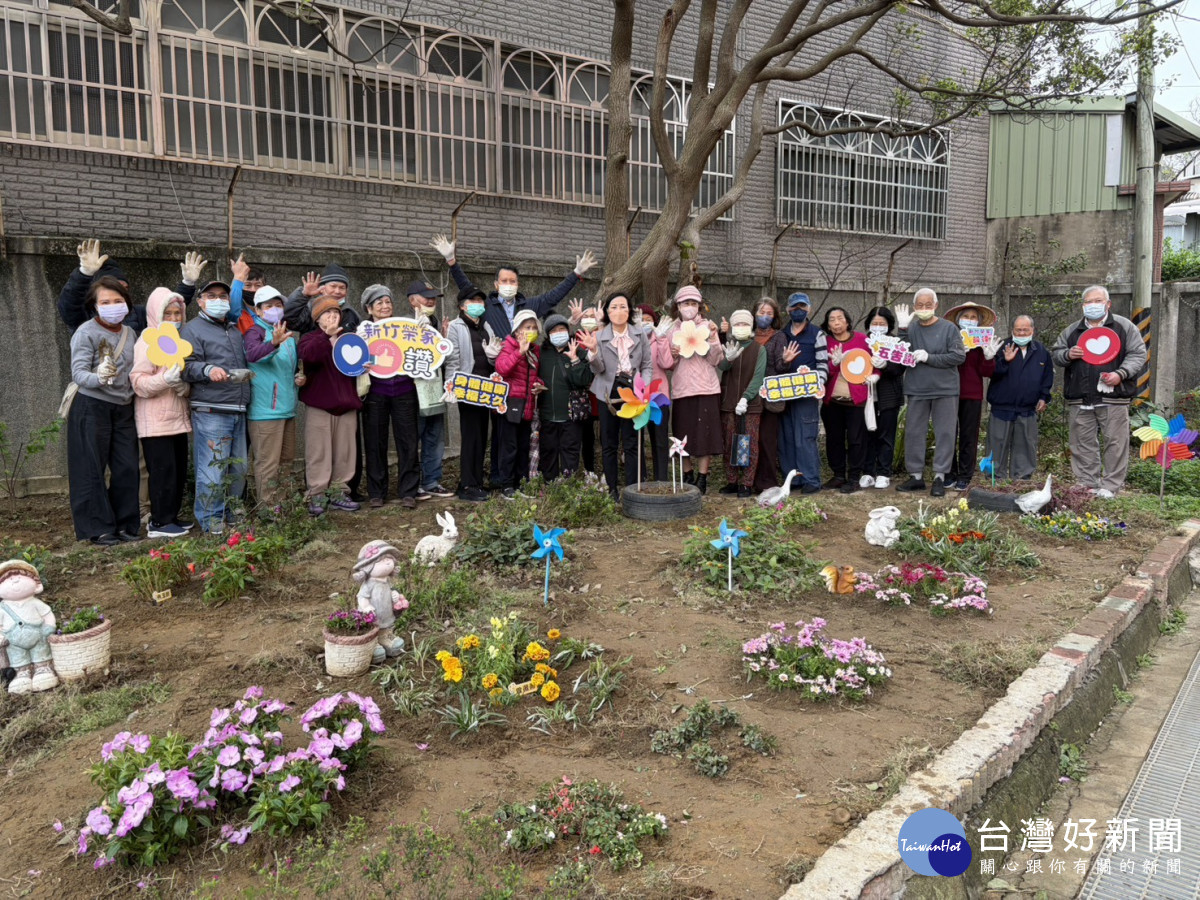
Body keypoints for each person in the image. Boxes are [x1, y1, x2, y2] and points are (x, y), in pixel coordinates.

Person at [431, 234, 595, 485]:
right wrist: (452, 261)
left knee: (519, 433)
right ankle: (499, 476)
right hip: (497, 374)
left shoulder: (529, 305)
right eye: (504, 281)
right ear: (496, 284)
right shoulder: (486, 306)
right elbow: (466, 288)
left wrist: (576, 274)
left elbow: (554, 296)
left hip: (523, 380)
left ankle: (518, 477)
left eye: (513, 281)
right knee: (499, 430)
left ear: (518, 284)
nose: (509, 284)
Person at [1050, 286, 1147, 498]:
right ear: (1082, 306)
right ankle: (1087, 483)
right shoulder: (1072, 330)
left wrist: (1121, 373)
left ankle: (1110, 486)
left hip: (1114, 396)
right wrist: (1068, 354)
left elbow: (1138, 354)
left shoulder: (1124, 327)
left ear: (1108, 304)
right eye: (1088, 302)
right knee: (1081, 442)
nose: (1092, 305)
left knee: (1115, 442)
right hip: (1080, 396)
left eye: (1098, 301)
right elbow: (1056, 354)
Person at [66, 276, 142, 545]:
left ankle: (126, 524)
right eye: (105, 302)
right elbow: (78, 374)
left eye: (118, 301)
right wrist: (98, 376)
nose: (112, 306)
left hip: (123, 407)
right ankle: (98, 528)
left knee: (127, 467)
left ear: (127, 303)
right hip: (91, 405)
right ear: (94, 306)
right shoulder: (85, 332)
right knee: (90, 467)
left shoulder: (130, 333)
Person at [181, 280, 253, 533]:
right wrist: (207, 369)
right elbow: (185, 365)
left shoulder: (234, 330)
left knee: (238, 467)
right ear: (200, 301)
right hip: (211, 409)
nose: (218, 300)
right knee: (213, 469)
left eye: (223, 296)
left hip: (238, 407)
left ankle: (232, 512)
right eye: (211, 296)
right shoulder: (191, 329)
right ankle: (211, 519)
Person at [129, 288, 192, 539]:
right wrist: (165, 380)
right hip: (155, 421)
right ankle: (160, 522)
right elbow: (138, 382)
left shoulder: (178, 342)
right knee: (162, 473)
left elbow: (184, 383)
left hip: (177, 419)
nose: (174, 318)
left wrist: (183, 387)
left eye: (178, 313)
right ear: (156, 313)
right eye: (168, 314)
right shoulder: (147, 341)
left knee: (177, 472)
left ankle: (171, 517)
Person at [578, 292, 653, 499]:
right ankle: (612, 490)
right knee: (609, 443)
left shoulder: (639, 334)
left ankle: (632, 491)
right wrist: (593, 353)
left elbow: (647, 365)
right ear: (607, 312)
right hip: (607, 391)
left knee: (631, 441)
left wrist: (644, 387)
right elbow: (598, 369)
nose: (618, 311)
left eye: (623, 306)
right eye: (613, 307)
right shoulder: (600, 336)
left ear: (629, 310)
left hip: (634, 390)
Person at [894, 289, 966, 497]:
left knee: (945, 433)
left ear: (936, 305)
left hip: (945, 389)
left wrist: (929, 357)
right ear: (914, 307)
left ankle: (939, 477)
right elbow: (901, 354)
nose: (924, 308)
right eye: (920, 305)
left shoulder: (949, 328)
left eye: (928, 304)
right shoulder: (911, 328)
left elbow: (958, 356)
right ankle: (915, 476)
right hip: (917, 388)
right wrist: (902, 329)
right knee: (914, 432)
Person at [299, 296, 365, 515]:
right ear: (317, 319)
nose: (332, 316)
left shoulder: (349, 338)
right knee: (318, 452)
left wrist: (365, 366)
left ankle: (339, 492)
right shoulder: (310, 338)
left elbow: (358, 364)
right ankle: (316, 494)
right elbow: (309, 357)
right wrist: (326, 336)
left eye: (336, 313)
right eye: (326, 313)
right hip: (320, 405)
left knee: (345, 453)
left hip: (347, 404)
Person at [655, 286, 724, 495]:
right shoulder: (671, 330)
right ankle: (687, 474)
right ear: (678, 306)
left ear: (699, 306)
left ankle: (702, 478)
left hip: (707, 388)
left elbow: (716, 359)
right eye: (686, 303)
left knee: (705, 435)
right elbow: (666, 363)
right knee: (681, 434)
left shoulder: (707, 327)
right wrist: (673, 353)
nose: (690, 307)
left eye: (694, 304)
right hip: (682, 390)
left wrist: (713, 338)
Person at [358, 285, 421, 509]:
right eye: (379, 303)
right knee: (375, 442)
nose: (385, 306)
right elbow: (352, 361)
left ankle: (409, 491)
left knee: (408, 441)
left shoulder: (404, 327)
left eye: (388, 302)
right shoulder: (362, 332)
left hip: (404, 389)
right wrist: (361, 363)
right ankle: (376, 491)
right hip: (375, 392)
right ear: (369, 309)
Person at [58, 239, 205, 334]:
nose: (120, 292)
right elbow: (69, 304)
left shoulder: (139, 314)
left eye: (124, 288)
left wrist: (187, 283)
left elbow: (167, 306)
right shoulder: (84, 318)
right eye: (114, 288)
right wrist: (84, 274)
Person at [243, 286, 302, 509]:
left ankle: (283, 506)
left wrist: (299, 377)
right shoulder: (254, 332)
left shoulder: (287, 334)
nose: (275, 309)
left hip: (287, 408)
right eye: (268, 306)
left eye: (278, 305)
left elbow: (290, 367)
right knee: (268, 464)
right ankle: (268, 509)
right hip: (265, 411)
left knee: (286, 462)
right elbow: (253, 355)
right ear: (258, 310)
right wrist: (274, 343)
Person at [768, 292, 827, 495]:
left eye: (802, 306)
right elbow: (775, 364)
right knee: (786, 438)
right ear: (788, 310)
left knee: (805, 437)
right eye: (794, 307)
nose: (798, 310)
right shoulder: (781, 335)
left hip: (806, 395)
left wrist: (818, 383)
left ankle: (811, 479)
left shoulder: (817, 334)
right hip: (784, 395)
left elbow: (823, 364)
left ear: (809, 309)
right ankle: (792, 479)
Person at [445, 287, 500, 502]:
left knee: (481, 435)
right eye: (473, 300)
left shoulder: (485, 326)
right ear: (462, 305)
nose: (478, 304)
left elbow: (493, 357)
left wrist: (493, 356)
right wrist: (451, 385)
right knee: (470, 437)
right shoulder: (455, 327)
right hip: (467, 389)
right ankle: (468, 485)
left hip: (486, 389)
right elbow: (452, 360)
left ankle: (476, 481)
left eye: (480, 300)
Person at [987, 315, 1054, 481]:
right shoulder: (1001, 347)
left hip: (1027, 408)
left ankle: (1021, 480)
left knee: (1025, 444)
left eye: (1025, 330)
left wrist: (1043, 397)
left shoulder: (1041, 351)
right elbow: (991, 372)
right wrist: (1005, 361)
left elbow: (1047, 378)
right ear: (1012, 330)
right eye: (1018, 330)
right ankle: (995, 479)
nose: (1022, 333)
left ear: (1032, 330)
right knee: (997, 444)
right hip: (1001, 407)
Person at [943, 303, 1002, 491]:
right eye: (965, 316)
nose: (969, 320)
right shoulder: (949, 338)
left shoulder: (982, 342)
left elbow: (987, 372)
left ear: (979, 322)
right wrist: (957, 353)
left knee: (969, 435)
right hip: (948, 392)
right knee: (948, 434)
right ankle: (948, 473)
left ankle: (965, 475)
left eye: (973, 317)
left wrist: (988, 357)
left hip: (972, 394)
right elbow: (941, 364)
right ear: (958, 319)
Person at [406, 280, 455, 500]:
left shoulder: (434, 324)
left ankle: (431, 481)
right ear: (412, 301)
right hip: (413, 391)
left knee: (435, 437)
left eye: (433, 298)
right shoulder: (404, 325)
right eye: (426, 297)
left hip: (435, 389)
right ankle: (412, 484)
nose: (431, 301)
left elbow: (441, 358)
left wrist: (444, 339)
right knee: (413, 438)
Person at [820, 306, 872, 494]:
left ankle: (854, 477)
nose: (836, 322)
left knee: (856, 440)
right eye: (832, 319)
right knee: (834, 439)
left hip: (856, 401)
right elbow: (821, 370)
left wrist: (875, 375)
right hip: (832, 401)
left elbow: (874, 364)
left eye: (840, 318)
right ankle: (838, 475)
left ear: (848, 321)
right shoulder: (824, 342)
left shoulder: (862, 340)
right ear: (828, 325)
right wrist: (834, 364)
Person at [494, 310, 545, 498]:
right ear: (517, 331)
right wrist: (519, 352)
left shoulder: (535, 351)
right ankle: (507, 485)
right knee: (509, 447)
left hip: (527, 404)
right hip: (510, 404)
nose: (530, 331)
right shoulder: (508, 346)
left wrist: (539, 384)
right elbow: (502, 369)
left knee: (523, 446)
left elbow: (533, 376)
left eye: (533, 328)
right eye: (526, 327)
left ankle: (521, 483)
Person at [537, 314, 594, 480]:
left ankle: (568, 484)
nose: (558, 333)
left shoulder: (578, 350)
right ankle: (549, 483)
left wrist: (575, 360)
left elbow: (585, 380)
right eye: (554, 330)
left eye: (561, 329)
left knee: (570, 450)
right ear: (548, 334)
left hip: (571, 414)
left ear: (568, 331)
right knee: (548, 450)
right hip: (547, 413)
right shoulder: (542, 352)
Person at [718, 310, 767, 498]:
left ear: (751, 326)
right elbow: (721, 366)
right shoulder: (728, 345)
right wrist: (729, 358)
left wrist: (746, 397)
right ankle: (732, 481)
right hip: (728, 402)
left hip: (751, 405)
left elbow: (758, 376)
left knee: (749, 443)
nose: (741, 327)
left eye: (745, 324)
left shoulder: (759, 349)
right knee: (729, 442)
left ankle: (746, 483)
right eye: (737, 324)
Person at [859, 306, 904, 489]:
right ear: (868, 324)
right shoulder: (863, 342)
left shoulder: (895, 342)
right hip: (866, 396)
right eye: (874, 323)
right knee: (867, 435)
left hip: (889, 396)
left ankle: (884, 473)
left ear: (889, 324)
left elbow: (900, 368)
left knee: (886, 435)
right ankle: (868, 472)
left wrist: (885, 365)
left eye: (882, 323)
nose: (878, 326)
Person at [637, 304, 672, 483]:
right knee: (637, 440)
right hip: (637, 397)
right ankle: (640, 479)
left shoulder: (659, 339)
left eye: (648, 320)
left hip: (659, 396)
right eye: (641, 319)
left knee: (660, 439)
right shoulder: (631, 340)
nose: (645, 323)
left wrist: (662, 338)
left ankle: (662, 479)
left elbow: (667, 363)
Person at [752, 298, 783, 492]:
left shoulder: (779, 337)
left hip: (770, 396)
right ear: (754, 314)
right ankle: (747, 481)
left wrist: (786, 360)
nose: (765, 316)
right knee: (750, 438)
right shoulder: (746, 334)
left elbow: (780, 366)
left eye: (769, 313)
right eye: (761, 312)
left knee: (767, 439)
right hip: (748, 395)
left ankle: (768, 481)